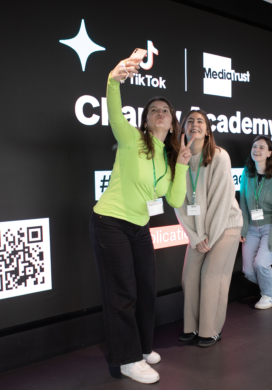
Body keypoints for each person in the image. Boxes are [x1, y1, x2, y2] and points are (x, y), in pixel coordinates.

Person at [89, 58, 193, 384]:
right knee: (123, 293)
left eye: (165, 110)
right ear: (146, 121)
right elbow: (115, 112)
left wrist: (185, 165)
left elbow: (174, 199)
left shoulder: (170, 157)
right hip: (110, 221)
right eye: (153, 110)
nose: (159, 112)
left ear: (173, 122)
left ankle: (143, 348)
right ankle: (128, 359)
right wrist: (113, 80)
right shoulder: (132, 138)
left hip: (139, 227)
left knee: (147, 289)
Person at [174, 110, 243, 347]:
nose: (195, 124)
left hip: (225, 227)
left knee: (212, 276)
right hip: (200, 233)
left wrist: (209, 238)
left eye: (200, 121)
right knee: (189, 277)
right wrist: (195, 236)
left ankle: (210, 329)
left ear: (207, 129)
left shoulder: (219, 156)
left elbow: (221, 201)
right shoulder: (178, 159)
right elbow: (179, 204)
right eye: (190, 121)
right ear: (183, 128)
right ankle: (191, 327)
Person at [240, 135, 272, 309]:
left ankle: (269, 295)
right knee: (248, 270)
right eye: (254, 147)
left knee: (261, 263)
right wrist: (243, 229)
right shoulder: (247, 173)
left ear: (269, 153)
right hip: (252, 227)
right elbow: (243, 204)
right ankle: (268, 287)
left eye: (261, 147)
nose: (257, 150)